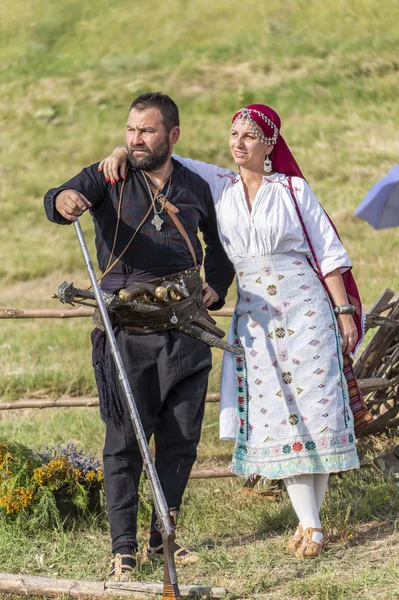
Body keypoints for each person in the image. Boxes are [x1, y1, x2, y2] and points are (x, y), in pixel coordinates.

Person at [99, 103, 362, 558]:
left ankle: (310, 525)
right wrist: (122, 150)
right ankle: (311, 525)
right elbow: (159, 155)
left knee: (314, 413)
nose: (239, 143)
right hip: (257, 318)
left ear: (269, 145)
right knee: (281, 412)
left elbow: (329, 254)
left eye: (249, 136)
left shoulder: (293, 190)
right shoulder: (217, 184)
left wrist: (343, 313)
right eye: (233, 134)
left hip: (305, 311)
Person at [44, 92, 235, 579]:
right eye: (131, 130)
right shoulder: (109, 175)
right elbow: (57, 199)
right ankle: (123, 547)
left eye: (147, 131)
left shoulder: (194, 186)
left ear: (172, 135)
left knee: (181, 437)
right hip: (127, 330)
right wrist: (64, 199)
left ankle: (163, 535)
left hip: (187, 329)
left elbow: (220, 247)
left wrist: (216, 284)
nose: (136, 139)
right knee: (125, 439)